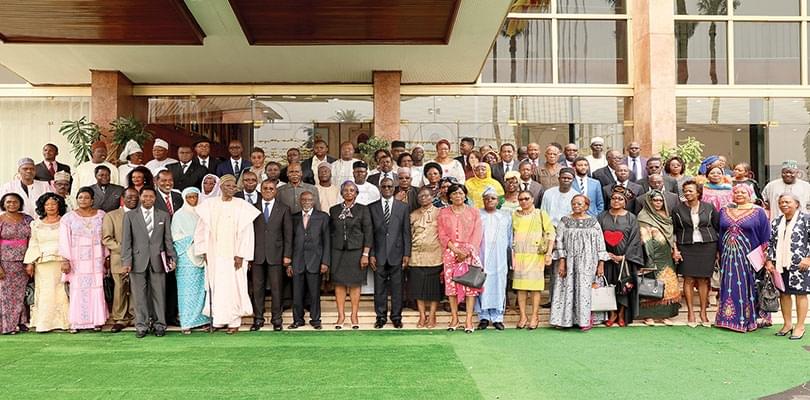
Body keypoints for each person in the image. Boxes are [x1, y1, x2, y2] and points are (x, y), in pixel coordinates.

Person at [193, 174, 260, 334]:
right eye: (228, 186)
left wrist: (241, 254)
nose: (231, 189)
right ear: (221, 187)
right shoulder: (209, 205)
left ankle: (233, 322)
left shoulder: (242, 206)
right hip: (215, 253)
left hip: (234, 256)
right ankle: (218, 320)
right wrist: (203, 251)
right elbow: (201, 230)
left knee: (235, 286)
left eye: (233, 187)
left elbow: (247, 233)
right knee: (217, 286)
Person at [121, 186, 176, 338]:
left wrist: (172, 257)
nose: (148, 199)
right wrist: (126, 261)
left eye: (151, 197)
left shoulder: (163, 215)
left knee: (159, 294)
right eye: (145, 196)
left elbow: (167, 239)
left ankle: (159, 324)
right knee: (139, 295)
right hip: (137, 260)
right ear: (140, 197)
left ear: (155, 198)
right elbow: (126, 241)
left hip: (158, 259)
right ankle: (141, 325)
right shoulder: (130, 216)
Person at [715, 185, 771, 332]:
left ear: (750, 194)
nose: (739, 194)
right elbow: (720, 233)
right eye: (736, 192)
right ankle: (727, 319)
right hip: (728, 256)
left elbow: (766, 236)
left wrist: (765, 256)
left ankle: (749, 319)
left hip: (750, 257)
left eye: (743, 192)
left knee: (749, 284)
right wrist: (719, 253)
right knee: (728, 284)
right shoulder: (724, 211)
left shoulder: (759, 212)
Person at [549, 195, 608, 331]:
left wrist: (601, 264)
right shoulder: (564, 221)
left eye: (579, 204)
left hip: (588, 261)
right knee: (566, 288)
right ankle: (564, 320)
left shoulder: (593, 222)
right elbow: (559, 241)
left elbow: (600, 243)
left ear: (586, 206)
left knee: (585, 289)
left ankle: (585, 320)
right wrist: (562, 261)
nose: (576, 206)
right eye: (574, 203)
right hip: (569, 261)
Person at [59, 187, 109, 333]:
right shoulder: (68, 218)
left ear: (92, 200)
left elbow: (105, 236)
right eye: (80, 197)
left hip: (96, 259)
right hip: (77, 261)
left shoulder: (101, 215)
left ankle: (97, 321)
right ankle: (76, 322)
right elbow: (64, 240)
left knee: (97, 288)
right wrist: (65, 259)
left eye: (86, 198)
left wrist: (107, 256)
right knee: (77, 289)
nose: (83, 200)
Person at [672, 180, 720, 328]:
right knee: (688, 279)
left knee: (703, 280)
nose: (687, 193)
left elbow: (717, 227)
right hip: (686, 246)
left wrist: (718, 249)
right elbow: (673, 231)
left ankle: (703, 313)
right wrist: (675, 249)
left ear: (698, 192)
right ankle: (691, 313)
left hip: (708, 246)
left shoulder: (709, 207)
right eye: (685, 191)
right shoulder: (677, 210)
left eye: (690, 190)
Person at [438, 184, 483, 333]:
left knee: (470, 286)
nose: (458, 196)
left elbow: (477, 234)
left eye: (461, 193)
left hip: (469, 252)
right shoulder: (443, 213)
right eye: (455, 194)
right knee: (451, 287)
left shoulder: (474, 212)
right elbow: (442, 234)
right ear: (449, 197)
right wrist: (456, 250)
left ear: (465, 195)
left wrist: (467, 251)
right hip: (451, 253)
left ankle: (469, 319)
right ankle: (454, 318)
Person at [23, 193, 70, 332]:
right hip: (42, 263)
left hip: (60, 261)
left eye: (53, 204)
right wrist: (30, 262)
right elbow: (33, 243)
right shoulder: (36, 223)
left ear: (59, 206)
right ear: (43, 206)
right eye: (47, 204)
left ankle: (63, 322)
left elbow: (68, 242)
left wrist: (66, 259)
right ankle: (44, 323)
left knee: (60, 291)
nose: (50, 207)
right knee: (44, 291)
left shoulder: (65, 222)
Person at [250, 179, 293, 332]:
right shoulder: (253, 208)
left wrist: (287, 255)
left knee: (276, 289)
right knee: (257, 289)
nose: (268, 191)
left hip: (277, 254)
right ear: (261, 190)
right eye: (265, 188)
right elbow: (249, 234)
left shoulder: (284, 209)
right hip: (257, 255)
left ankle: (277, 319)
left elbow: (288, 234)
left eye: (271, 188)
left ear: (276, 191)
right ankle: (258, 319)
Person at [329, 181, 373, 330]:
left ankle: (354, 315)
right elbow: (331, 232)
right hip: (337, 251)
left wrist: (365, 254)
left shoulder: (363, 210)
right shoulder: (334, 210)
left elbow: (368, 233)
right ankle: (341, 315)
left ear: (356, 193)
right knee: (339, 283)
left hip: (356, 251)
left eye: (352, 190)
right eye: (346, 190)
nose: (348, 192)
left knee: (355, 283)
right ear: (341, 193)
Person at [766, 193, 810, 340]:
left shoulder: (806, 219)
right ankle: (787, 324)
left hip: (800, 264)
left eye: (787, 202)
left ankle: (800, 326)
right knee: (784, 293)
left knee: (800, 294)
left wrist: (808, 258)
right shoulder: (777, 221)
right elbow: (771, 242)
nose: (784, 204)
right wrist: (769, 261)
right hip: (780, 264)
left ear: (796, 204)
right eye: (781, 202)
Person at [597, 187, 643, 327]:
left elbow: (635, 239)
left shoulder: (631, 218)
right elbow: (597, 237)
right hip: (607, 259)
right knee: (609, 285)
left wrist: (624, 256)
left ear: (625, 202)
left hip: (624, 260)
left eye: (620, 199)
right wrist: (604, 254)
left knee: (623, 286)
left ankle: (622, 313)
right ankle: (612, 314)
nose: (616, 201)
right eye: (613, 198)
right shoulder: (601, 216)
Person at [369, 177, 411, 329]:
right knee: (379, 288)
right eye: (384, 186)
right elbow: (370, 234)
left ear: (394, 189)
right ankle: (380, 317)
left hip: (397, 254)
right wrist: (371, 254)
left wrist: (407, 254)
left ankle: (396, 317)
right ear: (380, 188)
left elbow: (406, 232)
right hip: (378, 254)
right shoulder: (372, 207)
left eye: (390, 186)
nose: (387, 189)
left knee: (397, 288)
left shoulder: (403, 207)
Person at [636, 190, 681, 325]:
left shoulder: (666, 215)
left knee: (667, 283)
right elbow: (645, 238)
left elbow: (671, 235)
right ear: (649, 201)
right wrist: (649, 258)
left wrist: (675, 250)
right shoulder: (643, 216)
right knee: (651, 284)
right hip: (652, 255)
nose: (658, 203)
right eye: (655, 200)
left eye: (660, 200)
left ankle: (664, 315)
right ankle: (648, 316)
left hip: (666, 254)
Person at [511, 189, 554, 330]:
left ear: (532, 199)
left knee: (535, 288)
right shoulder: (515, 215)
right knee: (521, 288)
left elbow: (550, 234)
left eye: (526, 198)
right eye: (521, 199)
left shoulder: (541, 214)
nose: (524, 201)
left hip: (536, 255)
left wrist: (548, 253)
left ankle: (534, 316)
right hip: (519, 255)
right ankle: (523, 316)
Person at [171, 187, 211, 334]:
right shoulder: (179, 215)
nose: (192, 200)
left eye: (195, 197)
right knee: (186, 291)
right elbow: (176, 237)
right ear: (184, 198)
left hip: (202, 256)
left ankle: (202, 321)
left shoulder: (202, 214)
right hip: (186, 257)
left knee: (201, 290)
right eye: (189, 197)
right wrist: (194, 239)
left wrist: (202, 244)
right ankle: (186, 322)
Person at [290, 191, 330, 330]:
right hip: (297, 261)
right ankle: (298, 320)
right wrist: (289, 262)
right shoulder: (293, 217)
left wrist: (325, 262)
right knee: (297, 293)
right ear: (300, 201)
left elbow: (327, 241)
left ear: (314, 201)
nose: (306, 202)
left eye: (309, 199)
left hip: (315, 261)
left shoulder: (323, 217)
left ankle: (315, 319)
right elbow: (289, 241)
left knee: (314, 293)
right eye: (304, 199)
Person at [101, 187, 139, 333]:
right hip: (119, 258)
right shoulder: (112, 215)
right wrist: (124, 249)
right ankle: (120, 318)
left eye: (136, 197)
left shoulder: (141, 214)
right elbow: (107, 239)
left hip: (138, 257)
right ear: (122, 198)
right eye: (129, 197)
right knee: (120, 289)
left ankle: (136, 317)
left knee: (136, 288)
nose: (133, 199)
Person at [409, 186, 444, 329]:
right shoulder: (413, 214)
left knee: (433, 289)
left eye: (426, 195)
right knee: (418, 288)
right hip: (416, 256)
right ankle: (422, 315)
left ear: (432, 196)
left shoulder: (440, 213)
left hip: (435, 255)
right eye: (420, 196)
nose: (423, 198)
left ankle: (432, 315)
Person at [0, 193, 33, 334]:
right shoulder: (0, 219)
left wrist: (31, 261)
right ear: (3, 204)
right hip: (5, 262)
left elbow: (34, 239)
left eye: (15, 202)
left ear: (20, 203)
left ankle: (21, 321)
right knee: (6, 295)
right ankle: (8, 326)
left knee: (22, 293)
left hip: (24, 260)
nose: (12, 204)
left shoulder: (27, 219)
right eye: (8, 202)